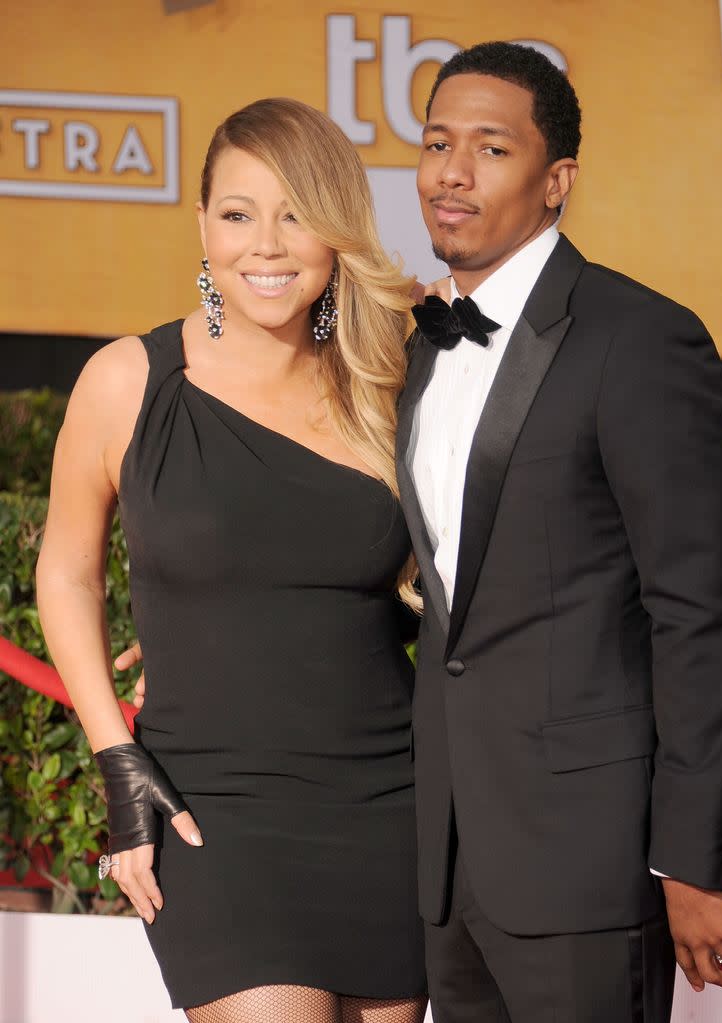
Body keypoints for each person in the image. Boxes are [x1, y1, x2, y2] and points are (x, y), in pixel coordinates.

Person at [36, 97, 428, 1023]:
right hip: (212, 805)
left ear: (337, 233)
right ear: (202, 225)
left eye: (297, 214)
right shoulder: (129, 381)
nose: (268, 244)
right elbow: (67, 570)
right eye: (239, 212)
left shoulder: (390, 382)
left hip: (386, 796)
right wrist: (113, 750)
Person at [395, 43, 722, 1022]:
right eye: (435, 143)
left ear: (555, 181)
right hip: (445, 863)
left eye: (488, 147)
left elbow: (704, 616)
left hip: (585, 863)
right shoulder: (417, 347)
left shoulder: (638, 338)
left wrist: (692, 862)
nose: (451, 172)